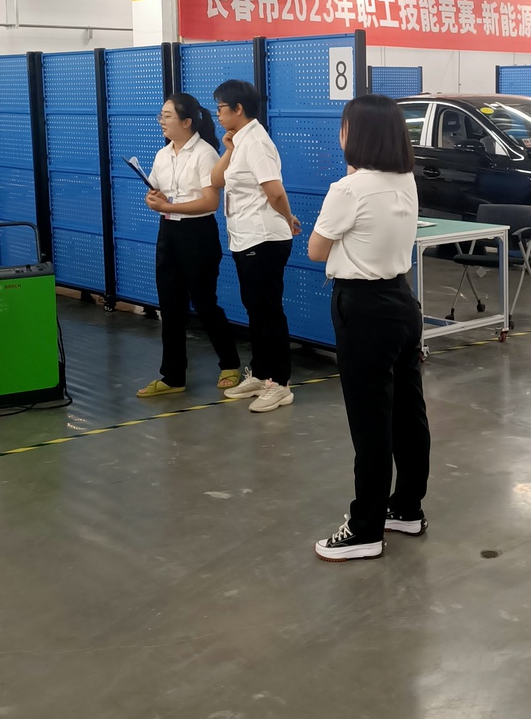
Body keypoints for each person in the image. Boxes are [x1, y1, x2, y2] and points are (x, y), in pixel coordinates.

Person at [307, 94, 428, 562]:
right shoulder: (406, 181)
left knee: (370, 421)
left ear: (355, 135)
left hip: (362, 309)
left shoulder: (348, 189)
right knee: (408, 413)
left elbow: (316, 250)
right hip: (401, 301)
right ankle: (407, 508)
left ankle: (365, 529)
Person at [137, 94, 242, 399]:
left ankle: (230, 364)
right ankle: (172, 376)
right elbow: (156, 192)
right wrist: (153, 200)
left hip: (198, 234)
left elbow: (210, 202)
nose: (162, 122)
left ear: (186, 122)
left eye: (167, 116)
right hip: (168, 233)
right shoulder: (163, 154)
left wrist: (169, 206)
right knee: (170, 305)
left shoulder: (205, 154)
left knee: (205, 302)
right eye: (161, 116)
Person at [209, 80, 300, 414]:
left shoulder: (258, 143)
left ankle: (280, 383)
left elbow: (274, 191)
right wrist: (228, 149)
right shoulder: (240, 142)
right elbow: (216, 180)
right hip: (245, 237)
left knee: (268, 310)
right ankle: (261, 374)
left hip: (264, 238)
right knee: (255, 308)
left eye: (221, 108)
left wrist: (288, 218)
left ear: (238, 109)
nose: (217, 114)